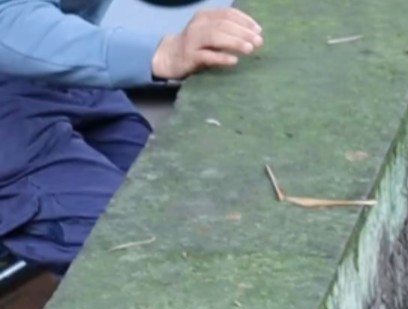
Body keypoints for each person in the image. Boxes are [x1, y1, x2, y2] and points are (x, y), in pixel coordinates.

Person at [0, 0, 263, 275]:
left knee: (184, 209)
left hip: (52, 55)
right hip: (20, 46)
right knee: (147, 253)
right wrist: (161, 53)